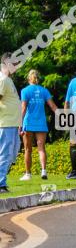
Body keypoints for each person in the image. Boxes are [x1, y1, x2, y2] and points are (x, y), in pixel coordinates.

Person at [19, 69, 58, 180]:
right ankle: (43, 171)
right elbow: (53, 106)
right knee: (41, 148)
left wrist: (19, 123)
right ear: (38, 78)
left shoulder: (25, 91)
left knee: (28, 149)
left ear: (28, 79)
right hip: (41, 123)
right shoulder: (44, 91)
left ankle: (28, 174)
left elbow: (23, 108)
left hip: (29, 122)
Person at [0, 54, 22, 194]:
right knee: (4, 153)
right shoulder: (3, 79)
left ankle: (2, 181)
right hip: (6, 123)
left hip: (11, 123)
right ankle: (1, 183)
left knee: (10, 154)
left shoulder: (7, 79)